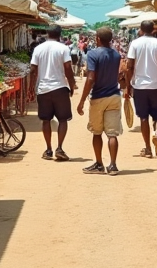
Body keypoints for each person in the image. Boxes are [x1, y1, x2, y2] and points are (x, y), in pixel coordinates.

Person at [76, 27, 124, 176]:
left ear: (97, 38)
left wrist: (82, 100)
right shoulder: (116, 55)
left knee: (97, 133)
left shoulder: (93, 54)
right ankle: (113, 165)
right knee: (112, 134)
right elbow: (120, 75)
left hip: (98, 97)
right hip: (114, 96)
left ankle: (99, 164)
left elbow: (90, 78)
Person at [124, 20, 157, 158]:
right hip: (156, 85)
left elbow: (130, 66)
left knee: (143, 117)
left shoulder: (135, 44)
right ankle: (156, 135)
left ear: (141, 29)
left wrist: (127, 86)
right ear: (153, 29)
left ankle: (148, 148)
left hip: (139, 86)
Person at [29, 26, 75, 161]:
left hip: (43, 89)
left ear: (48, 33)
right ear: (60, 35)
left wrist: (32, 87)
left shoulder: (38, 48)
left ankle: (48, 149)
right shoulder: (63, 48)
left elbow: (32, 69)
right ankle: (59, 148)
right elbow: (68, 69)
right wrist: (71, 85)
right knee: (63, 119)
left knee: (46, 120)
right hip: (60, 87)